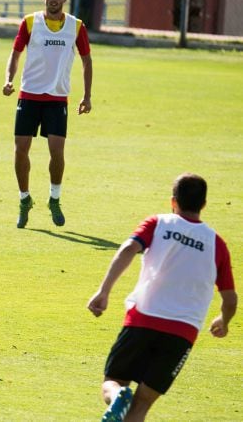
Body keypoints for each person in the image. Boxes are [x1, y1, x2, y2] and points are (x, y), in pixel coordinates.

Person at [87, 173, 237, 421]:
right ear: (203, 205)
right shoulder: (217, 244)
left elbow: (127, 249)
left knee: (113, 382)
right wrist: (224, 320)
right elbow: (230, 299)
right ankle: (123, 399)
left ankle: (117, 396)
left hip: (143, 318)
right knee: (142, 404)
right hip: (182, 332)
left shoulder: (158, 223)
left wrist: (104, 291)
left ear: (173, 201)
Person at [2, 0, 93, 228]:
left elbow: (87, 60)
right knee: (21, 149)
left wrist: (87, 96)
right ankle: (24, 199)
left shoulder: (76, 27)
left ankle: (54, 199)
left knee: (57, 151)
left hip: (57, 99)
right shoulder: (30, 23)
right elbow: (15, 53)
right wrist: (9, 79)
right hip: (29, 95)